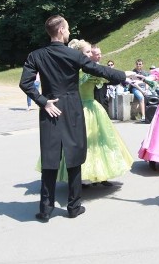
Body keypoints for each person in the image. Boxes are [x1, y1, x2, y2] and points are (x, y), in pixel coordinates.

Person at [19, 15, 128, 223]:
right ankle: (73, 206)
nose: (69, 32)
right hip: (71, 109)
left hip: (50, 108)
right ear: (60, 30)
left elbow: (25, 83)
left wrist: (43, 101)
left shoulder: (36, 55)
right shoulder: (72, 55)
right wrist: (122, 76)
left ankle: (45, 209)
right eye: (67, 28)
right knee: (74, 157)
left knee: (50, 158)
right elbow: (98, 69)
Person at [52, 40, 133, 187]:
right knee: (85, 143)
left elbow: (107, 76)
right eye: (87, 52)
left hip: (93, 108)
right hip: (80, 109)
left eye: (91, 52)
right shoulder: (78, 71)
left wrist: (129, 76)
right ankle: (82, 176)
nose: (91, 54)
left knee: (100, 140)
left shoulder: (89, 69)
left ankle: (101, 174)